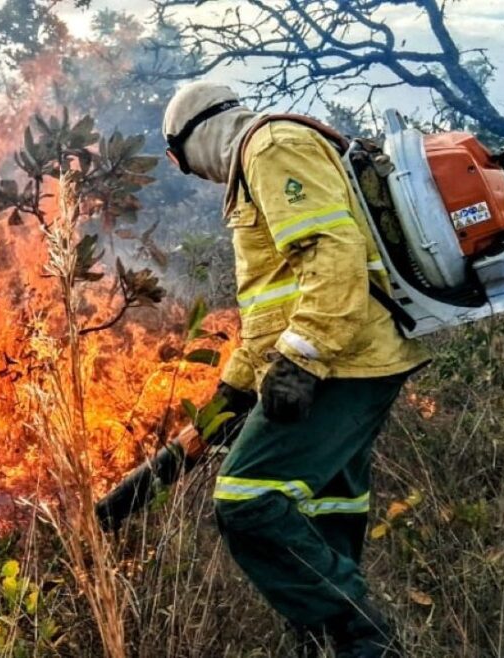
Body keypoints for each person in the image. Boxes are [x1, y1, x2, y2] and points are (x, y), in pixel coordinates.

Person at [161, 81, 429, 658]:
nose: (193, 177)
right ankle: (323, 642)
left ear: (184, 144)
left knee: (245, 498)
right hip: (353, 355)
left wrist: (301, 361)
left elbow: (332, 255)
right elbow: (270, 310)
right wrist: (231, 395)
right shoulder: (259, 158)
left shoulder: (271, 146)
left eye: (181, 164)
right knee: (325, 504)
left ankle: (365, 639)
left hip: (341, 360)